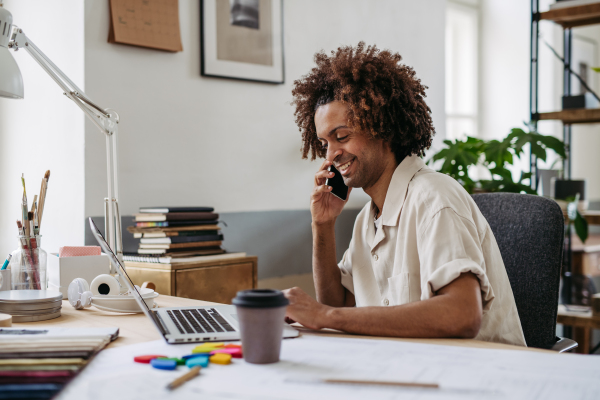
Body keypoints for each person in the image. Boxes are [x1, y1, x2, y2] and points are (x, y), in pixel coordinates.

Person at [283, 42, 526, 346]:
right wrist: (322, 225)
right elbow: (339, 304)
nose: (330, 155)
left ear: (381, 127)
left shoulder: (434, 198)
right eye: (324, 144)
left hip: (482, 380)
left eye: (341, 136)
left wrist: (325, 316)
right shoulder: (367, 221)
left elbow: (462, 314)